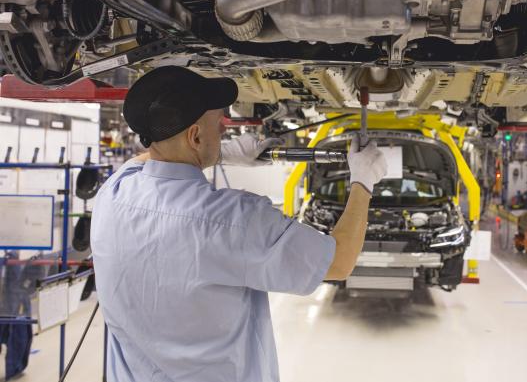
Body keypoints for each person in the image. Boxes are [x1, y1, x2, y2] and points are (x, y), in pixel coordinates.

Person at [91, 66, 387, 382]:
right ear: (195, 136)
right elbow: (339, 261)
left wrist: (224, 153)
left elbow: (148, 158)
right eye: (218, 124)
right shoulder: (234, 221)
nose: (224, 128)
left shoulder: (112, 194)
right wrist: (363, 180)